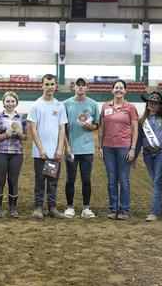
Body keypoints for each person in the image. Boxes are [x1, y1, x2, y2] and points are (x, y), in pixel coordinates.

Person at [27, 73, 67, 219]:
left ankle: (52, 208)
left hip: (54, 153)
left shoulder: (59, 106)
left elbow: (62, 128)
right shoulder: (36, 106)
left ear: (55, 86)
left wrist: (59, 149)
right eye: (47, 84)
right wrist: (41, 149)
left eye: (52, 84)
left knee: (52, 182)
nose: (50, 87)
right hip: (40, 153)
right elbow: (33, 129)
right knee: (40, 181)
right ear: (42, 85)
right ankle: (38, 207)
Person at [98, 79, 138, 220]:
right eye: (116, 87)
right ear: (112, 90)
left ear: (125, 91)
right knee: (111, 180)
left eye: (121, 88)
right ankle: (113, 208)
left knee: (124, 180)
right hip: (108, 148)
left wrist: (133, 149)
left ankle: (124, 209)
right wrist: (100, 146)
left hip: (124, 148)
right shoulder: (105, 106)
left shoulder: (130, 108)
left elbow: (135, 129)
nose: (118, 90)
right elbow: (101, 128)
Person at [63, 78, 100, 219]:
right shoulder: (66, 104)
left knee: (86, 179)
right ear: (74, 88)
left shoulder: (93, 104)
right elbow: (63, 127)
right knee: (70, 178)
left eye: (83, 85)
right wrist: (66, 146)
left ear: (87, 88)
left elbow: (97, 124)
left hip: (87, 149)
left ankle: (86, 208)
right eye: (78, 85)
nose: (80, 87)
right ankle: (70, 207)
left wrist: (91, 127)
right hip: (71, 149)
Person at [0, 91, 27, 218]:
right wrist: (5, 135)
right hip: (0, 152)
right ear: (4, 103)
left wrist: (21, 134)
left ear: (16, 103)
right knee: (0, 180)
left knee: (13, 180)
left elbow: (26, 137)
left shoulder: (21, 118)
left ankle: (13, 208)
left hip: (17, 153)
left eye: (12, 101)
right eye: (8, 101)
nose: (10, 103)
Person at [134, 91, 162, 222]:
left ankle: (154, 212)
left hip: (161, 153)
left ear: (160, 105)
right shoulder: (142, 120)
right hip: (147, 154)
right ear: (148, 104)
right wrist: (135, 156)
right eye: (151, 102)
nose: (153, 104)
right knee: (155, 181)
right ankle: (159, 210)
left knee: (157, 181)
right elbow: (138, 141)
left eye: (155, 103)